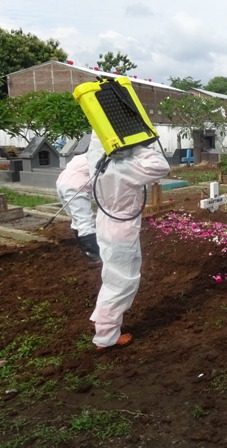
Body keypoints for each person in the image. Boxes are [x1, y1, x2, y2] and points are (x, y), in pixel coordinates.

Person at [57, 131, 170, 350]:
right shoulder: (123, 168)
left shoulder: (96, 162)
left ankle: (101, 317)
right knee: (123, 282)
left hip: (107, 221)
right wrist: (139, 145)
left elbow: (97, 144)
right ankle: (106, 336)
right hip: (121, 228)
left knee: (112, 275)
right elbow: (160, 166)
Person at [56, 151, 101, 263]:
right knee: (84, 220)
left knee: (76, 219)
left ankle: (84, 249)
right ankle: (94, 255)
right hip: (76, 185)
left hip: (62, 181)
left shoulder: (83, 156)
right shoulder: (99, 158)